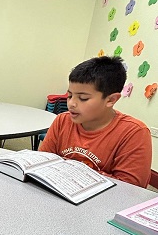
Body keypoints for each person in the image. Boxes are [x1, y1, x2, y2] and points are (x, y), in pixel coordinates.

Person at [40, 55, 152, 188]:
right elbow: (42, 162)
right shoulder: (62, 120)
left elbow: (129, 190)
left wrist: (67, 168)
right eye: (70, 95)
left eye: (83, 98)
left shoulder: (134, 132)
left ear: (111, 100)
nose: (71, 103)